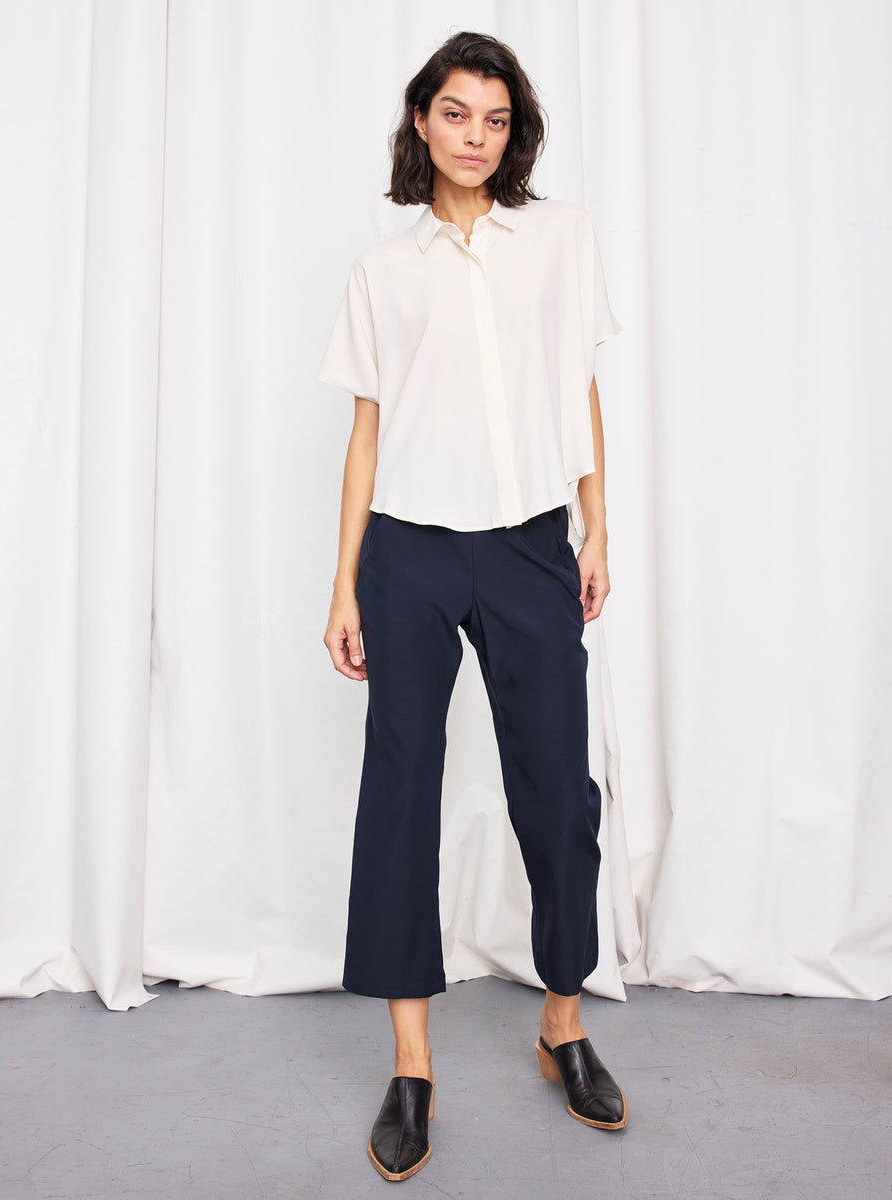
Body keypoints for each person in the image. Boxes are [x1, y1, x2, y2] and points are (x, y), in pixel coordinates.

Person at [317, 29, 626, 1183]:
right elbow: (365, 437)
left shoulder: (559, 241)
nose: (474, 138)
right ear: (422, 122)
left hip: (529, 546)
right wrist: (344, 580)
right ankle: (412, 1060)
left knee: (557, 787)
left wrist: (598, 525)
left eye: (495, 120)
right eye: (456, 115)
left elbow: (578, 385)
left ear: (515, 132)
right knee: (399, 790)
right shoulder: (382, 273)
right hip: (407, 551)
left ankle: (563, 1021)